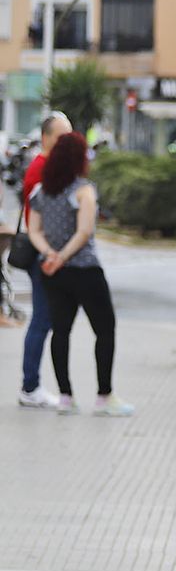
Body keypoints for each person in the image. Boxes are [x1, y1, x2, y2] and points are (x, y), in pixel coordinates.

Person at [25, 131, 132, 416]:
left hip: (53, 273)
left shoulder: (40, 192)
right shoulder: (83, 190)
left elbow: (34, 230)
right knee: (105, 329)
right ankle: (103, 396)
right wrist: (64, 255)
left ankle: (65, 397)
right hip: (85, 270)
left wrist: (50, 254)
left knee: (61, 331)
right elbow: (84, 232)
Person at [17, 111, 70, 408]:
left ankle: (31, 385)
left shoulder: (49, 167)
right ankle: (30, 387)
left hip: (49, 253)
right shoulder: (41, 170)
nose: (67, 143)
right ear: (46, 138)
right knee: (41, 320)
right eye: (62, 137)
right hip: (44, 254)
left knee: (44, 320)